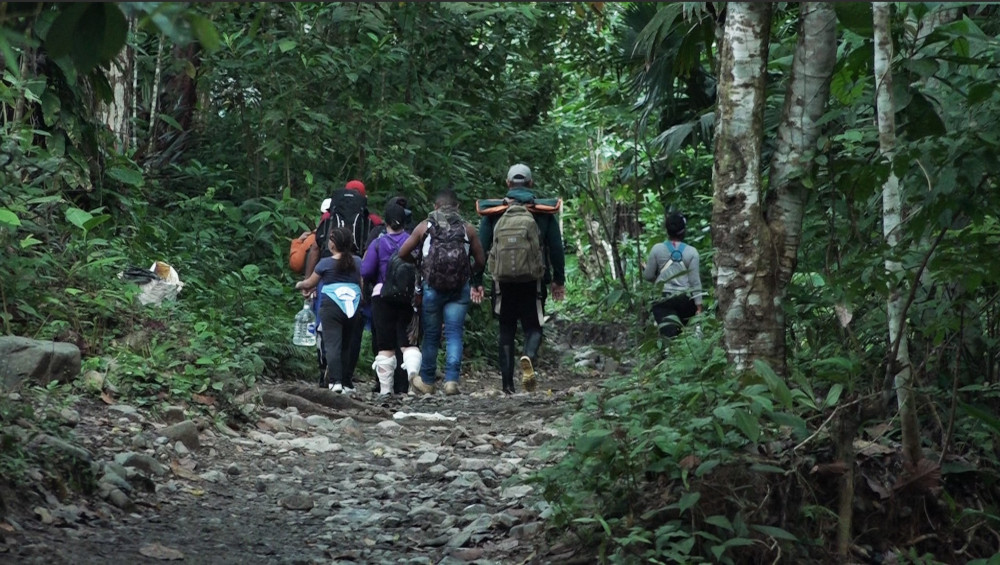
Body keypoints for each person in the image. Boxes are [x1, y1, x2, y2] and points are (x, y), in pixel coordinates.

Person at [477, 163, 566, 394]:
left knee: (506, 329)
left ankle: (507, 386)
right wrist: (558, 280)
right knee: (534, 326)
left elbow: (480, 249)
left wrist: (476, 281)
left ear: (508, 184)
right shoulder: (543, 213)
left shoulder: (493, 213)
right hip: (533, 281)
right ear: (530, 183)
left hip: (502, 282)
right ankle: (529, 355)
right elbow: (556, 248)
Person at [397, 188, 486, 396]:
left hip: (432, 288)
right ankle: (451, 381)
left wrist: (421, 264)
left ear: (435, 207)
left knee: (431, 335)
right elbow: (481, 261)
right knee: (454, 333)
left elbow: (402, 253)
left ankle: (427, 381)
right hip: (459, 289)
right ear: (457, 207)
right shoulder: (467, 229)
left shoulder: (425, 227)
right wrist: (466, 273)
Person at [361, 200, 421, 397]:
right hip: (408, 297)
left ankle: (386, 390)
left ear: (385, 221)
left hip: (382, 296)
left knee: (385, 345)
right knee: (408, 342)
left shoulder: (378, 243)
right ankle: (412, 383)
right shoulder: (413, 241)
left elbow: (366, 270)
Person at [295, 227, 364, 393]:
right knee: (347, 344)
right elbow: (361, 284)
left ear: (333, 245)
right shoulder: (358, 262)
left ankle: (335, 382)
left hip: (331, 305)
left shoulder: (325, 263)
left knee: (332, 344)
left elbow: (310, 283)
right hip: (353, 305)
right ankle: (346, 382)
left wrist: (299, 285)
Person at [642, 211, 703, 338]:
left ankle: (668, 353)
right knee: (684, 336)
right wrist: (699, 307)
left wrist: (658, 279)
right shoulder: (692, 252)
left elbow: (648, 276)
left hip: (663, 299)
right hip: (685, 300)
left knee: (669, 336)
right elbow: (695, 282)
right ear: (683, 231)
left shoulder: (657, 249)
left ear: (667, 230)